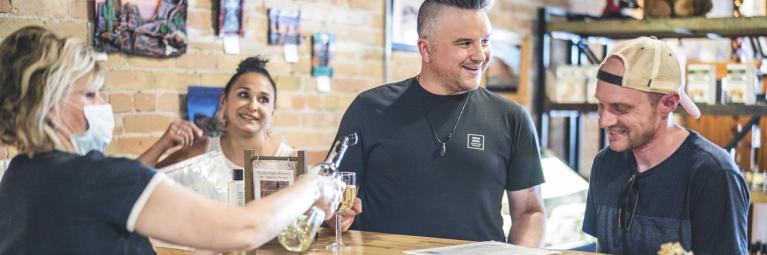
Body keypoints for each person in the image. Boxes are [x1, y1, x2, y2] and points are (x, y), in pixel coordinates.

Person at [0, 26, 345, 254]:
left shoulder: (18, 174)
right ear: (50, 105)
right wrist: (312, 186)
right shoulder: (99, 178)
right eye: (90, 94)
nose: (104, 105)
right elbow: (243, 229)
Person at [333, 0, 546, 245]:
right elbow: (333, 198)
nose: (480, 55)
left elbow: (530, 210)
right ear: (426, 50)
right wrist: (333, 213)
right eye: (465, 43)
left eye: (485, 41)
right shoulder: (370, 108)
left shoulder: (512, 118)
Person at [138, 56, 362, 231]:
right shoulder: (199, 152)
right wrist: (162, 145)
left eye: (263, 99)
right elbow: (128, 186)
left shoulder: (291, 161)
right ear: (225, 101)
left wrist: (332, 220)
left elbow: (311, 219)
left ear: (272, 111)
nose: (253, 106)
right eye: (244, 94)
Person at [582, 36, 750, 254]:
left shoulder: (712, 175)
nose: (604, 121)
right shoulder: (605, 163)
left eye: (620, 108)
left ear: (668, 104)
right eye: (600, 105)